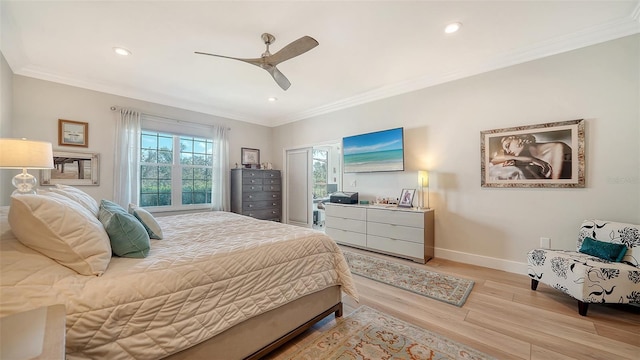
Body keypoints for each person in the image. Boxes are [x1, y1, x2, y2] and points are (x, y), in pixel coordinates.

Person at [490, 134, 571, 179]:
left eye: (508, 146)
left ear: (517, 138)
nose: (508, 152)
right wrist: (531, 159)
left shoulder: (557, 148)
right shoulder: (527, 158)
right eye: (506, 151)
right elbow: (493, 161)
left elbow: (555, 186)